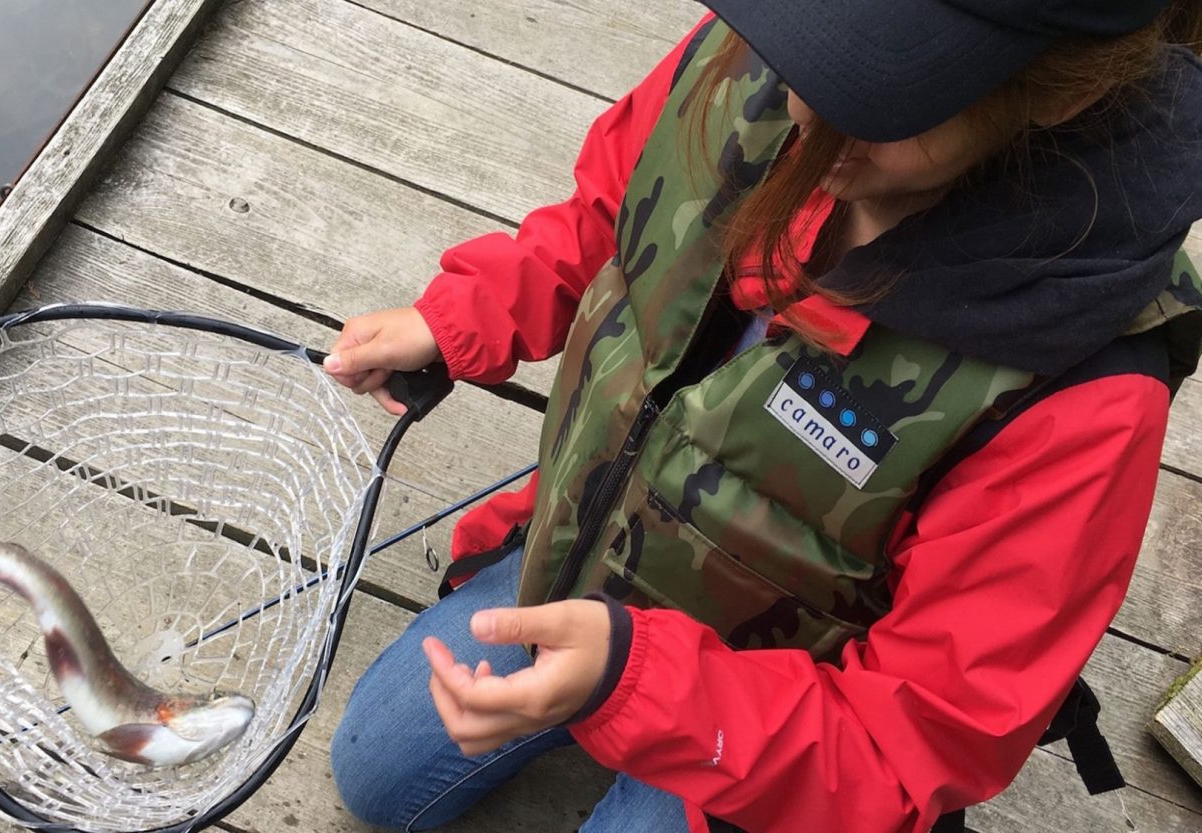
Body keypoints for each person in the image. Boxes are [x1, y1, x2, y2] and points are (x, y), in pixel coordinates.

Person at [321, 1, 1202, 830]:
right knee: (374, 770)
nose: (803, 105)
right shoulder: (769, 56)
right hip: (594, 544)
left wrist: (640, 684)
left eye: (884, 87)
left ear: (1064, 88)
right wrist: (468, 313)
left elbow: (918, 739)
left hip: (787, 707)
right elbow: (621, 205)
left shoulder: (1083, 399)